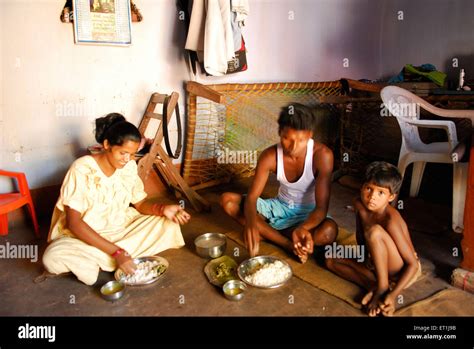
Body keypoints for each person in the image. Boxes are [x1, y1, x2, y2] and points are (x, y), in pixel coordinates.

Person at [42, 113, 190, 285]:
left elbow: (140, 204)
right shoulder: (82, 169)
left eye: (132, 154)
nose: (127, 159)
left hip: (121, 227)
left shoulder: (129, 167)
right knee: (52, 257)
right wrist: (118, 253)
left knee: (168, 223)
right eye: (123, 153)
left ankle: (103, 260)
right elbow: (73, 223)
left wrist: (163, 209)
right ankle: (117, 257)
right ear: (106, 145)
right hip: (85, 236)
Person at [220, 103, 338, 263]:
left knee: (328, 232)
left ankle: (272, 233)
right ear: (279, 133)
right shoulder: (269, 156)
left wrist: (303, 228)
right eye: (287, 139)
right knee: (228, 201)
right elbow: (252, 198)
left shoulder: (322, 155)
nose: (293, 147)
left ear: (310, 135)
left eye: (301, 140)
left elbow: (321, 208)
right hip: (280, 208)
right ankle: (288, 243)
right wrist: (251, 225)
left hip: (309, 214)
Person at [326, 161, 421, 316]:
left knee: (375, 231)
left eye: (381, 193)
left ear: (391, 197)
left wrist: (393, 295)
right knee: (330, 257)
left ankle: (384, 288)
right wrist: (364, 261)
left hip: (401, 268)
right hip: (375, 261)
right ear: (362, 186)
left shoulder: (391, 220)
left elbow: (412, 265)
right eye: (369, 188)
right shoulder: (358, 203)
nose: (372, 197)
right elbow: (361, 237)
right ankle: (373, 286)